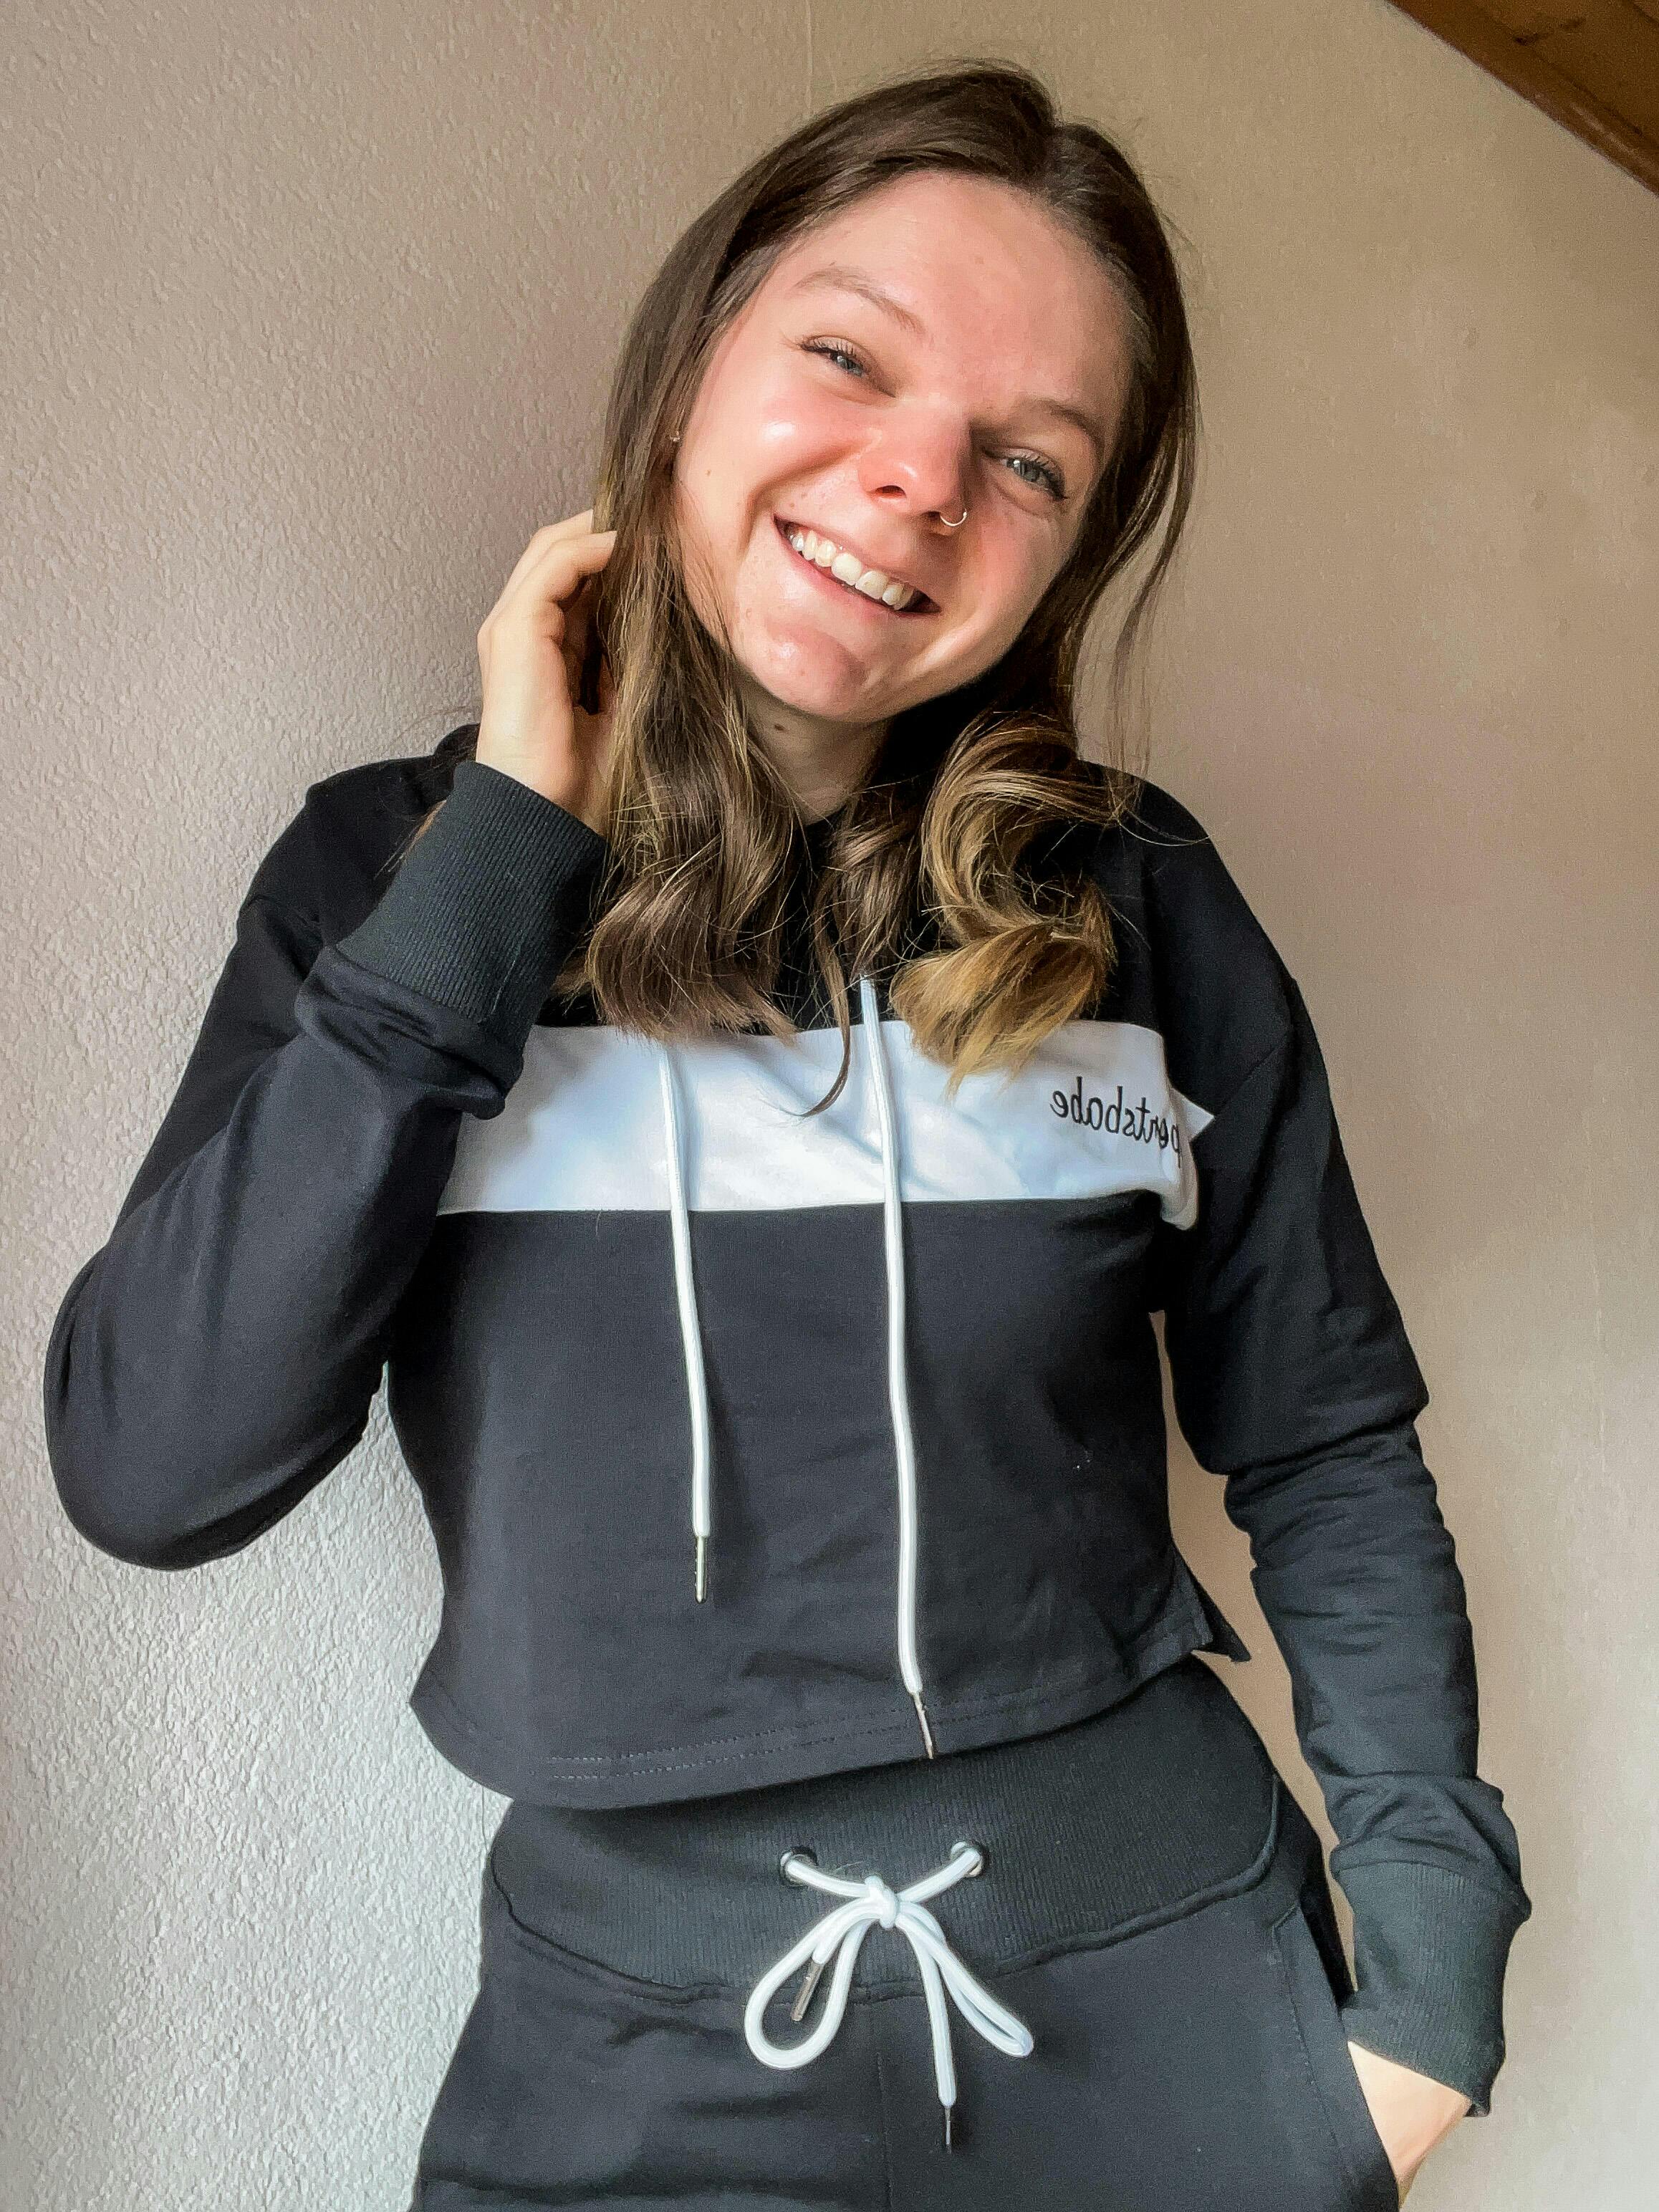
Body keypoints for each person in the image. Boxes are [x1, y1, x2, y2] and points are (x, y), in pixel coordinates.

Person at [42, 59, 1530, 2212]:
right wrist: (499, 862)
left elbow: (1323, 1442)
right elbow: (153, 1470)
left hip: (1188, 2012)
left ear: (1068, 551)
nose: (919, 480)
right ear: (689, 370)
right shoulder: (387, 882)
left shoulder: (1140, 898)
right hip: (636, 2047)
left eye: (1029, 458)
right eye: (849, 357)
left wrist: (1432, 1978)